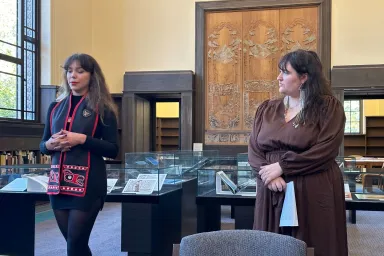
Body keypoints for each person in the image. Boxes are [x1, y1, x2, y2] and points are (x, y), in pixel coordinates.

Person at [248, 49, 348, 256]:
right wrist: (267, 174)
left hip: (311, 185)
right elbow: (254, 148)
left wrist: (282, 167)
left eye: (285, 72)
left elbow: (327, 148)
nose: (278, 77)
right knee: (269, 244)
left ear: (304, 78)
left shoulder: (328, 108)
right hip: (271, 187)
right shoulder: (266, 109)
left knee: (312, 241)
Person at [39, 53, 119, 256]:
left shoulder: (103, 108)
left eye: (80, 71)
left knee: (75, 243)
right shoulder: (54, 107)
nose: (72, 75)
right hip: (57, 184)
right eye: (69, 70)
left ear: (92, 76)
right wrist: (50, 144)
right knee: (75, 245)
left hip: (89, 184)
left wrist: (81, 139)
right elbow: (43, 145)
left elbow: (112, 149)